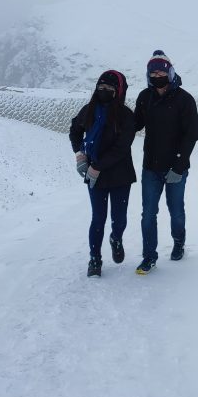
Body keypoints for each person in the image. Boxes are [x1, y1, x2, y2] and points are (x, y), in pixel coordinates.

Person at [133, 53, 198, 275]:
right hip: (151, 167)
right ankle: (149, 256)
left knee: (176, 210)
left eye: (161, 72)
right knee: (148, 213)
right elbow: (134, 124)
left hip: (175, 168)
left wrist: (179, 166)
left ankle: (179, 242)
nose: (157, 76)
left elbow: (191, 135)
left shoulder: (185, 99)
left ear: (170, 72)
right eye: (153, 73)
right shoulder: (144, 97)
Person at [68, 70, 136, 278]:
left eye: (110, 88)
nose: (104, 91)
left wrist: (97, 167)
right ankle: (94, 259)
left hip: (119, 174)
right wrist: (80, 155)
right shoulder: (88, 110)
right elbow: (75, 130)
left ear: (119, 91)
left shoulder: (126, 116)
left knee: (119, 218)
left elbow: (122, 147)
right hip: (93, 171)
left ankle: (116, 238)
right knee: (98, 218)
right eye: (101, 87)